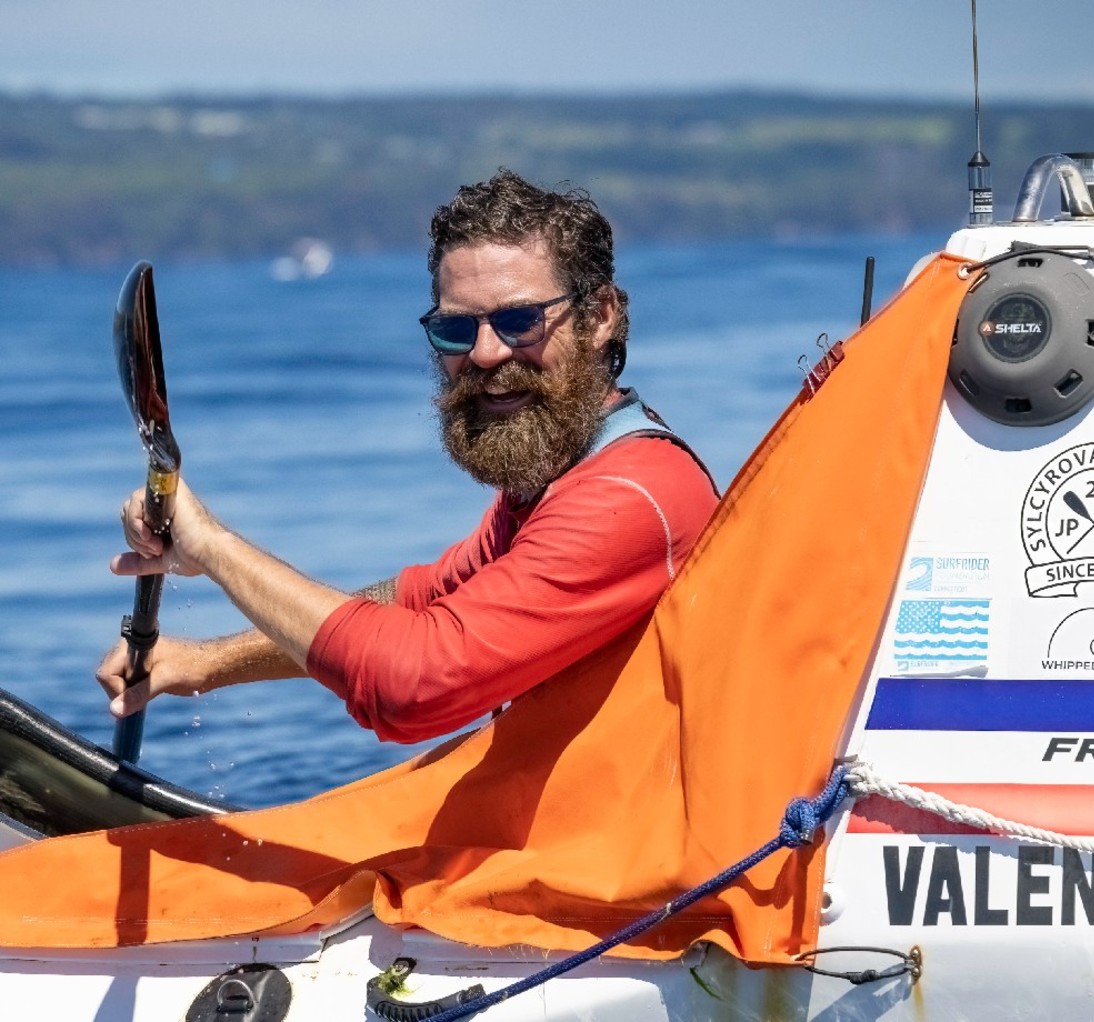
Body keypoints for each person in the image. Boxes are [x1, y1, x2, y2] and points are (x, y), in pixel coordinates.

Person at [96, 170, 719, 745]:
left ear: (600, 316)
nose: (484, 354)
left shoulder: (630, 497)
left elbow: (414, 686)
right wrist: (205, 663)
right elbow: (415, 602)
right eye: (456, 329)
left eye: (520, 320)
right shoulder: (555, 477)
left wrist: (212, 546)